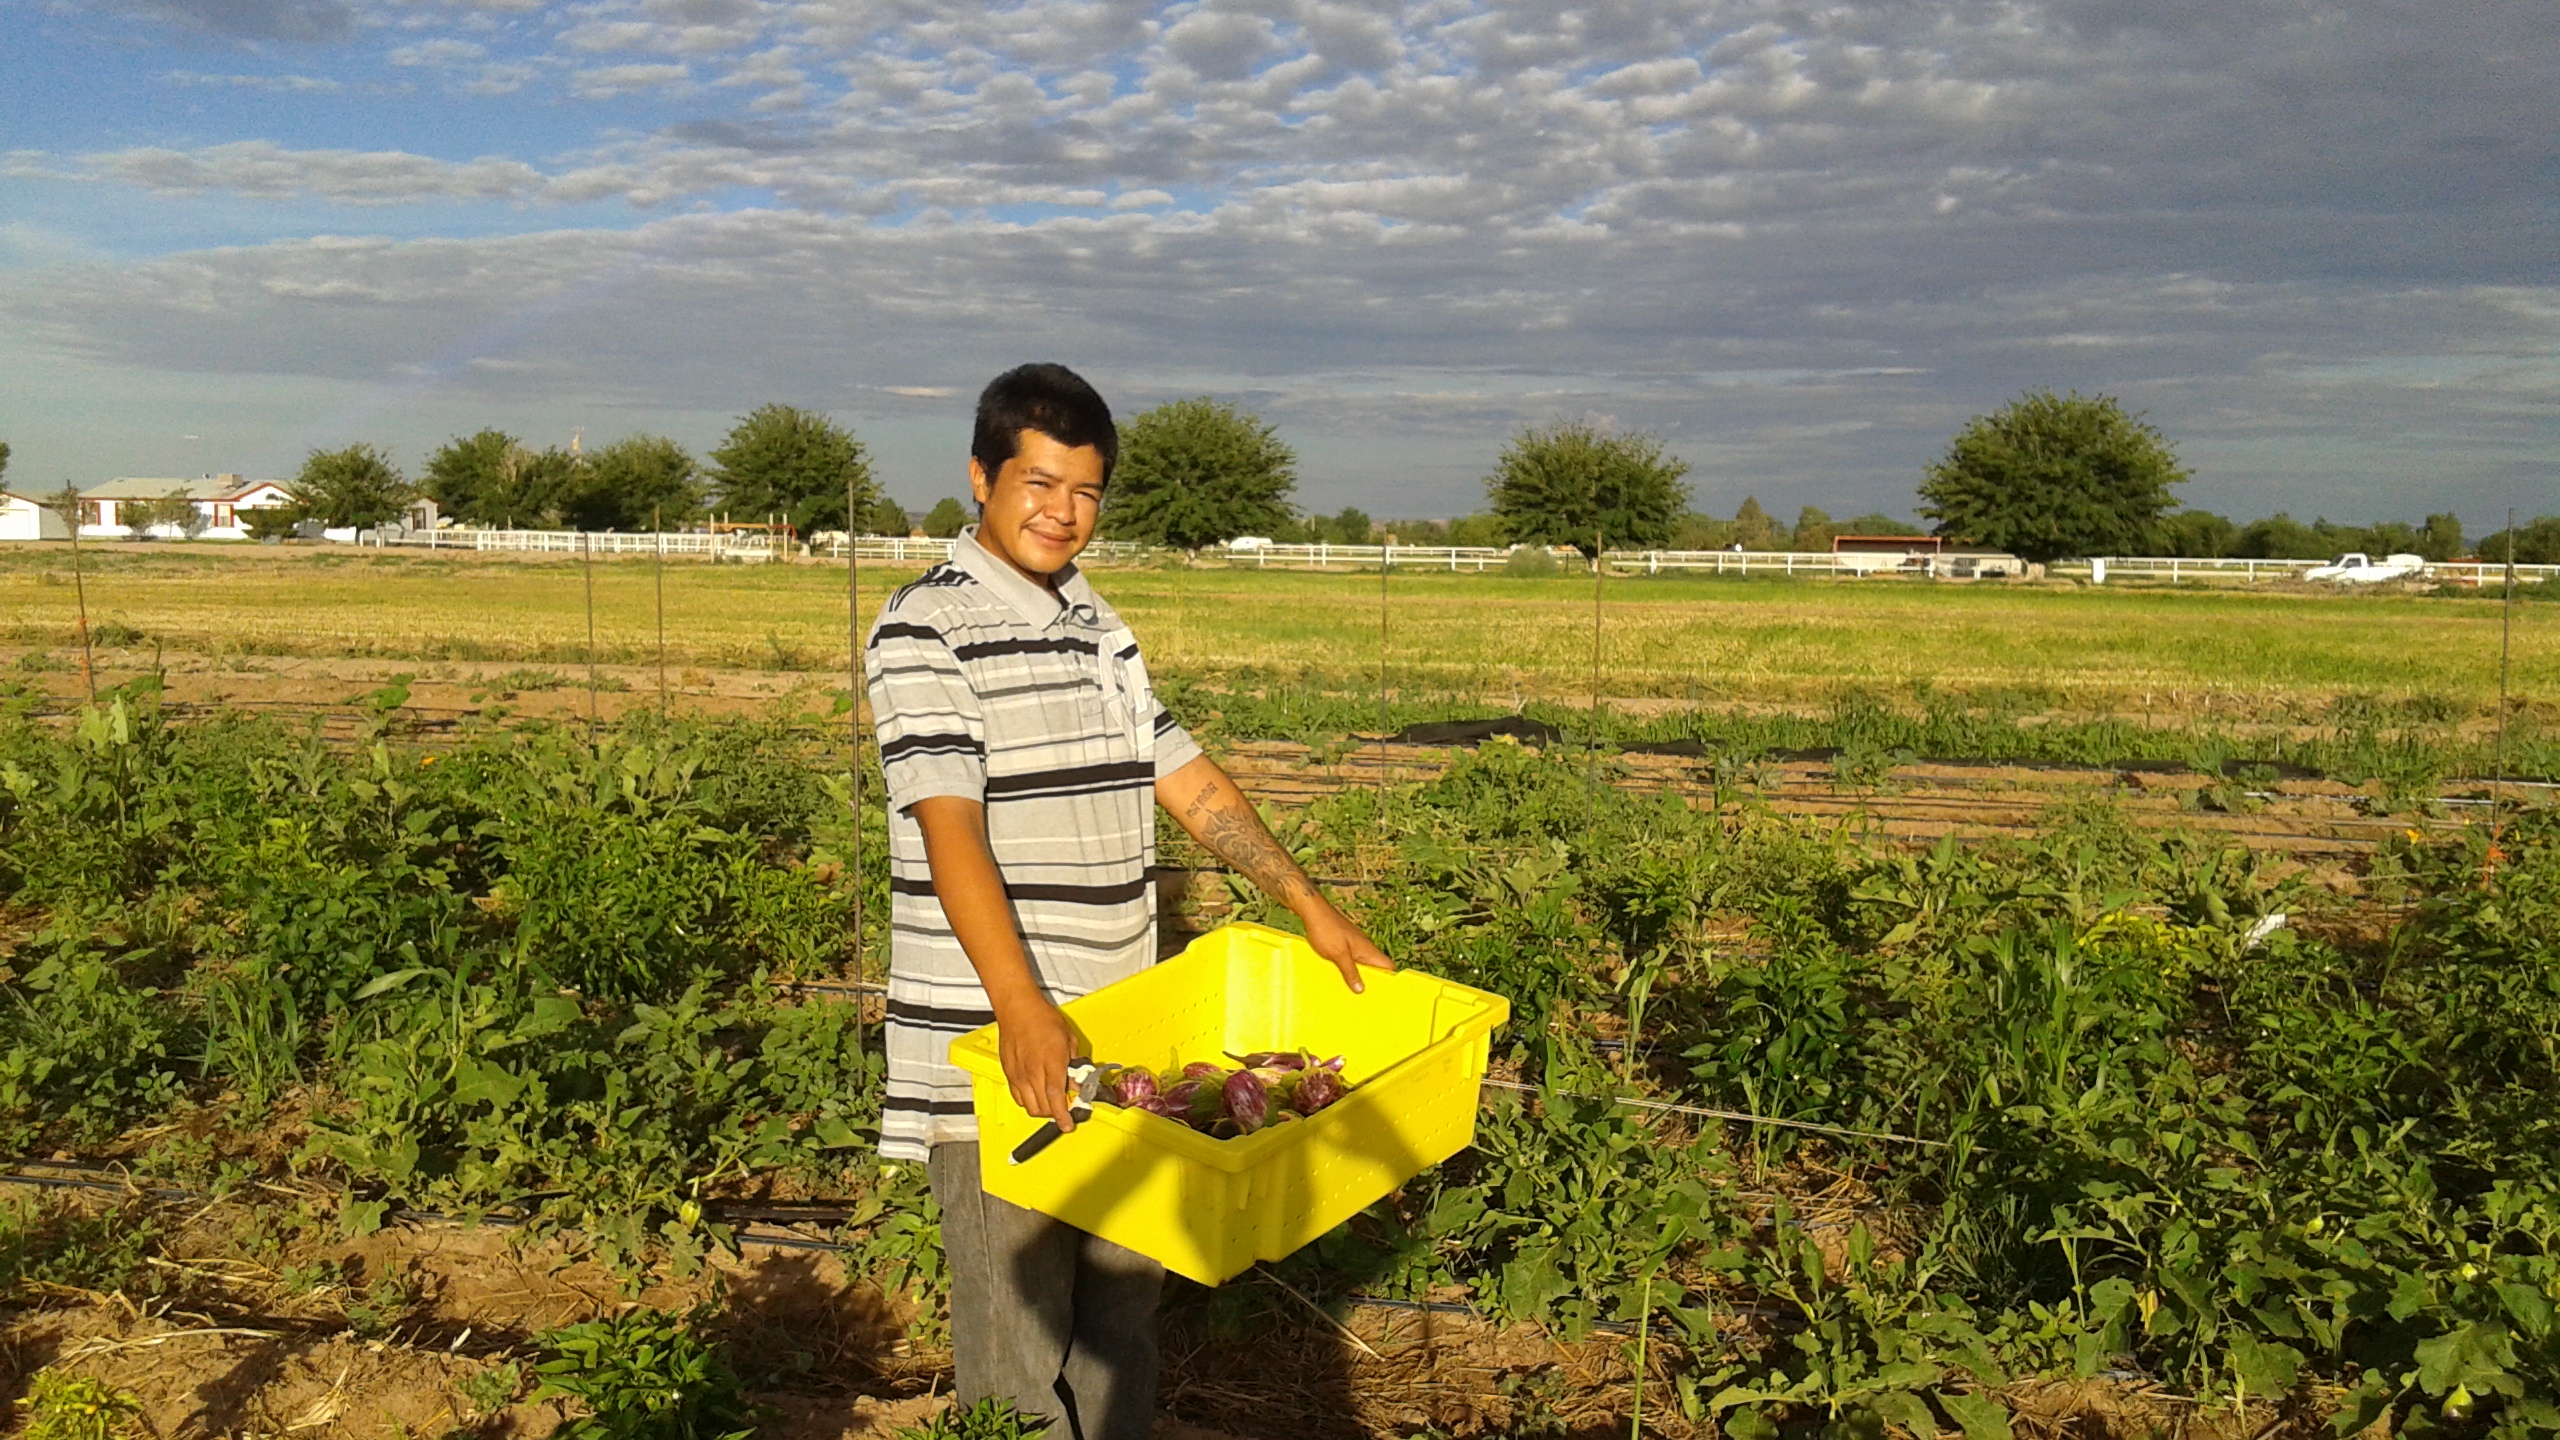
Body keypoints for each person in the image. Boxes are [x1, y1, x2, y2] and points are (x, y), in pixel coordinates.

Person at [864, 363, 1393, 1439]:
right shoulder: (924, 626)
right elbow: (947, 823)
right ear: (980, 476)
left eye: (1086, 492)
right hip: (996, 1057)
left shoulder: (1096, 620)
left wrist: (1308, 903)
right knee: (1019, 1356)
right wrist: (1019, 1008)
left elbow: (1184, 776)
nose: (1063, 512)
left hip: (1122, 1047)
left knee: (1121, 1326)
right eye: (1039, 482)